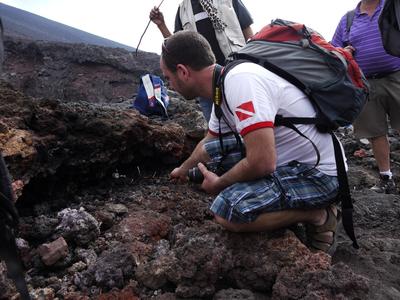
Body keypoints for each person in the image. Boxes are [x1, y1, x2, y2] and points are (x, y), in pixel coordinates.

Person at [163, 31, 343, 253]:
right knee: (212, 153)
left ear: (183, 71)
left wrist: (220, 183)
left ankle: (320, 214)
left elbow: (262, 162)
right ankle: (279, 200)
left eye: (168, 78)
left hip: (321, 175)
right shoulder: (221, 87)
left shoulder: (241, 81)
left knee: (226, 211)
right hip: (289, 161)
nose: (169, 85)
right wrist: (182, 170)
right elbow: (210, 142)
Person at [331, 0, 400, 194]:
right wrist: (343, 52)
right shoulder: (348, 19)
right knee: (375, 133)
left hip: (397, 76)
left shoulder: (393, 7)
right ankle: (386, 178)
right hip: (365, 83)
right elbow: (333, 49)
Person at [149, 0, 254, 122]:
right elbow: (177, 46)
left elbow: (247, 31)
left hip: (237, 73)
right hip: (205, 84)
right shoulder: (183, 8)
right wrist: (161, 25)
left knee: (247, 119)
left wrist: (253, 62)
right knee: (217, 126)